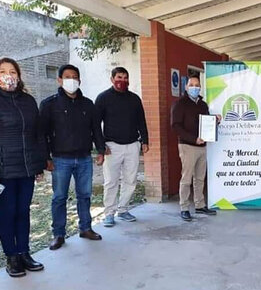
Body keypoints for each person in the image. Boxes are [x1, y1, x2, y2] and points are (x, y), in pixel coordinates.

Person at [39, 64, 106, 250]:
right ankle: (59, 234)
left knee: (84, 195)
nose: (71, 80)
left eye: (75, 77)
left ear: (79, 80)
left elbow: (95, 130)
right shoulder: (49, 104)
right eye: (67, 77)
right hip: (60, 159)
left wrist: (100, 150)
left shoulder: (88, 104)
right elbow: (41, 134)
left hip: (84, 158)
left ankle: (85, 228)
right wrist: (46, 158)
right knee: (59, 197)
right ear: (59, 80)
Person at [0, 58, 46, 277]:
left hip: (27, 167)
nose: (8, 75)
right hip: (3, 170)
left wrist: (38, 164)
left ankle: (24, 252)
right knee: (6, 213)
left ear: (18, 75)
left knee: (23, 211)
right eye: (2, 71)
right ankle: (12, 257)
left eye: (12, 71)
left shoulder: (28, 101)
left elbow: (37, 134)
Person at [95, 67, 149, 227]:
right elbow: (96, 125)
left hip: (132, 145)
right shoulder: (103, 98)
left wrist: (145, 140)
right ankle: (109, 213)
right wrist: (100, 146)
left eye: (126, 78)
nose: (123, 81)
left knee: (130, 180)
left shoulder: (134, 99)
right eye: (119, 77)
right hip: (111, 146)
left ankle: (123, 209)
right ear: (112, 79)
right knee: (111, 181)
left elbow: (141, 121)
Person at [171, 73, 218, 221]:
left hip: (202, 146)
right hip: (188, 146)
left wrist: (216, 121)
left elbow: (207, 124)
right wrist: (193, 138)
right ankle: (184, 207)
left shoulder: (203, 105)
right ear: (186, 87)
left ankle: (199, 205)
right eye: (192, 85)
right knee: (186, 179)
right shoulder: (180, 104)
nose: (195, 87)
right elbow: (175, 126)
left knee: (199, 178)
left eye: (197, 85)